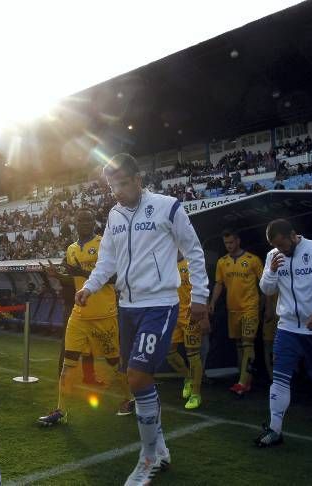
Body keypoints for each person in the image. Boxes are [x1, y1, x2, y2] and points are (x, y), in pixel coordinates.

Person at [76, 153, 209, 485]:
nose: (117, 191)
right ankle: (161, 450)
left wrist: (200, 298)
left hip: (160, 305)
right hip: (127, 307)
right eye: (111, 186)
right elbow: (107, 259)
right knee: (135, 380)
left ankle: (147, 459)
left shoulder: (168, 206)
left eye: (122, 183)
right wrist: (90, 287)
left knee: (136, 377)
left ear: (138, 179)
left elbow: (193, 250)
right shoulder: (114, 214)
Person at [37, 209, 132, 427]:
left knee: (113, 361)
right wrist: (57, 276)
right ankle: (61, 410)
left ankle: (132, 399)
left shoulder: (104, 244)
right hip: (79, 313)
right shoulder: (71, 249)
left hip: (104, 314)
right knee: (68, 362)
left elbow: (115, 277)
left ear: (94, 222)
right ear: (75, 223)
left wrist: (80, 272)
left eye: (89, 219)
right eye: (81, 219)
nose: (86, 223)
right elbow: (73, 280)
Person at [255, 219, 312, 447]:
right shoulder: (273, 256)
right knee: (280, 376)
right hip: (287, 327)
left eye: (283, 245)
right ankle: (275, 429)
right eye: (277, 246)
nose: (281, 250)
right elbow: (267, 289)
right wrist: (272, 271)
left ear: (293, 235)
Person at [208, 229, 263, 395]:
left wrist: (265, 305)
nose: (229, 246)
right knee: (239, 345)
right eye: (226, 243)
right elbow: (219, 284)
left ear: (238, 241)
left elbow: (265, 284)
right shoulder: (222, 262)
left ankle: (242, 382)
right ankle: (246, 379)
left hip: (249, 307)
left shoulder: (253, 260)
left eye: (231, 242)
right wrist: (212, 303)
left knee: (247, 343)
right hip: (233, 309)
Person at [165, 255, 206, 410]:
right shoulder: (164, 262)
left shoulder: (191, 264)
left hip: (190, 315)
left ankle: (196, 394)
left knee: (193, 354)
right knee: (169, 352)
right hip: (172, 314)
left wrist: (204, 316)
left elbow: (202, 289)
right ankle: (188, 378)